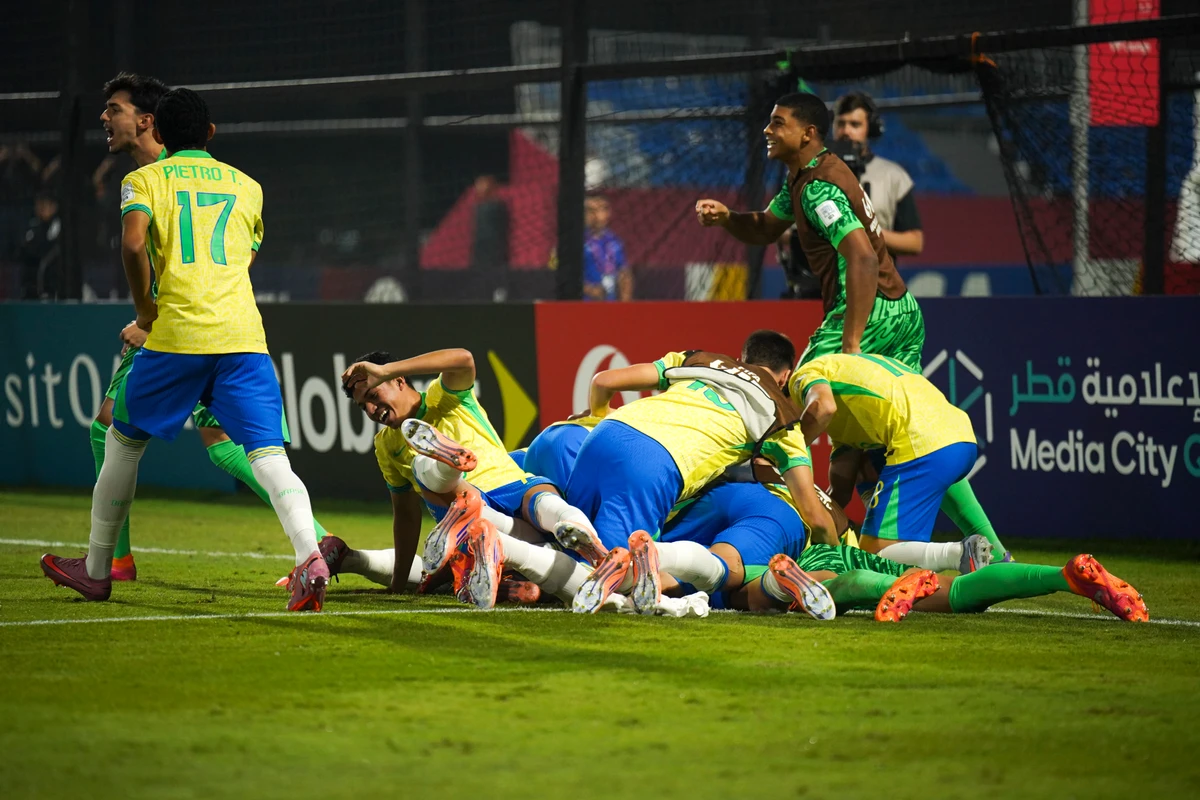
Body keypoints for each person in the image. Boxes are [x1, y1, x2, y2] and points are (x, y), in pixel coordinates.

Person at [40, 87, 330, 611]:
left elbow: (133, 244)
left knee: (120, 439)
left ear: (159, 131)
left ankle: (99, 569)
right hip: (243, 337)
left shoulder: (144, 180)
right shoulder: (249, 186)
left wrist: (146, 314)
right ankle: (310, 556)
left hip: (177, 336)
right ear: (210, 132)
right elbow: (244, 256)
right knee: (269, 456)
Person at [562, 348, 838, 613]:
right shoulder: (783, 421)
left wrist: (599, 415)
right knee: (617, 574)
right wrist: (836, 554)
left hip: (605, 433)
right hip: (655, 462)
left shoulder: (698, 359)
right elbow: (815, 517)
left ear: (742, 358)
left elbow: (604, 381)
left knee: (578, 549)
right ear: (785, 377)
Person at [339, 348, 603, 607]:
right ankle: (597, 557)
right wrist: (397, 586)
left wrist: (385, 369)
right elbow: (406, 515)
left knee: (529, 537)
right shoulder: (386, 444)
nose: (371, 410)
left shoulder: (442, 397)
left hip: (497, 496)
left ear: (398, 381)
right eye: (363, 407)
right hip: (480, 504)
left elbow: (463, 359)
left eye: (373, 395)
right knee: (544, 510)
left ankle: (494, 573)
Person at [790, 351, 995, 571]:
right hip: (961, 436)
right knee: (865, 463)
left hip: (921, 444)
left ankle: (959, 554)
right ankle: (1000, 561)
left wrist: (789, 452)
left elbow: (823, 408)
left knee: (873, 559)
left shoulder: (805, 374)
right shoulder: (848, 394)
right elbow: (840, 491)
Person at [832, 92, 924, 261]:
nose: (846, 131)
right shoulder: (812, 172)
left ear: (870, 129)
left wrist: (868, 232)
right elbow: (788, 233)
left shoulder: (893, 176)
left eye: (855, 124)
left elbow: (915, 242)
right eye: (841, 123)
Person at [583, 195, 632, 302]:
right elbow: (558, 275)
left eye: (602, 209)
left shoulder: (614, 241)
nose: (597, 216)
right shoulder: (572, 241)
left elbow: (623, 272)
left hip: (608, 304)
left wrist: (625, 301)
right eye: (591, 211)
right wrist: (589, 289)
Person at [19, 192, 62, 299]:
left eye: (44, 205)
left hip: (49, 281)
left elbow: (48, 247)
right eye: (38, 205)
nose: (41, 208)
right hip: (30, 280)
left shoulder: (57, 225)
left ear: (53, 207)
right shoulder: (33, 224)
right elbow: (24, 247)